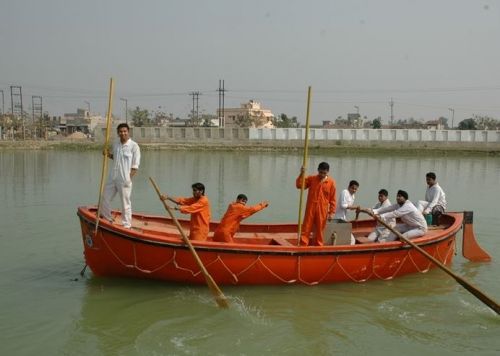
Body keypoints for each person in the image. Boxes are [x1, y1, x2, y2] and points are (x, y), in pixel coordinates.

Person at [100, 123, 141, 229]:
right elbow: (116, 158)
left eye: (125, 131)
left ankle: (126, 224)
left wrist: (129, 178)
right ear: (118, 133)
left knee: (125, 203)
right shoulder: (115, 144)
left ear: (128, 132)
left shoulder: (134, 146)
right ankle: (107, 218)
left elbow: (135, 166)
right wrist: (107, 154)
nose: (123, 133)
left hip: (124, 180)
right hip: (113, 177)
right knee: (104, 197)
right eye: (121, 131)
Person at [296, 162, 337, 246]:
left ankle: (319, 246)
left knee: (320, 229)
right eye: (320, 172)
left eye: (324, 173)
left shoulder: (331, 183)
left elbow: (333, 199)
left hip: (322, 210)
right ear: (318, 170)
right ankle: (303, 245)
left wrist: (331, 212)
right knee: (306, 227)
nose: (322, 174)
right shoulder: (312, 179)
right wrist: (302, 174)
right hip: (310, 208)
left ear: (327, 172)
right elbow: (300, 185)